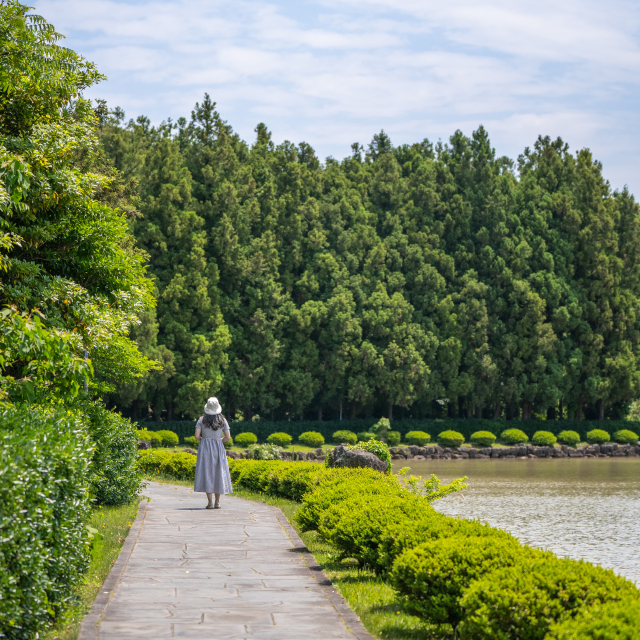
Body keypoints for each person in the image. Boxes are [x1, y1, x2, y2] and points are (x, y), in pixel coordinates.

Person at [194, 397, 233, 509]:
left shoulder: (201, 420)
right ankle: (217, 502)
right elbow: (228, 437)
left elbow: (197, 436)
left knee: (208, 473)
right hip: (218, 448)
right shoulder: (223, 420)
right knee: (218, 472)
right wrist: (219, 440)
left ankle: (210, 502)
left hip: (205, 448)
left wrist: (204, 440)